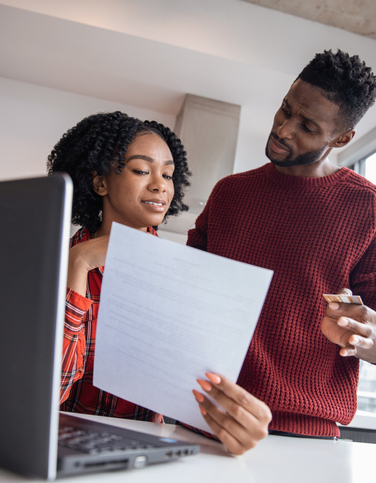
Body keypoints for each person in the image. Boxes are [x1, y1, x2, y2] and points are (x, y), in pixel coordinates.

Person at [187, 50, 376, 438]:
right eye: (284, 110)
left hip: (303, 437)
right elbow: (185, 292)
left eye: (307, 126)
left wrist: (365, 333)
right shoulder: (229, 193)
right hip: (203, 415)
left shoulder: (371, 209)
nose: (284, 129)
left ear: (341, 138)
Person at [47, 111, 272, 454]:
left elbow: (195, 392)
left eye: (168, 174)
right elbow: (48, 392)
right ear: (100, 182)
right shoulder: (53, 263)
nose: (160, 185)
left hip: (140, 451)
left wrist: (235, 420)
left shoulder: (183, 278)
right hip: (61, 443)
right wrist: (79, 263)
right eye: (142, 170)